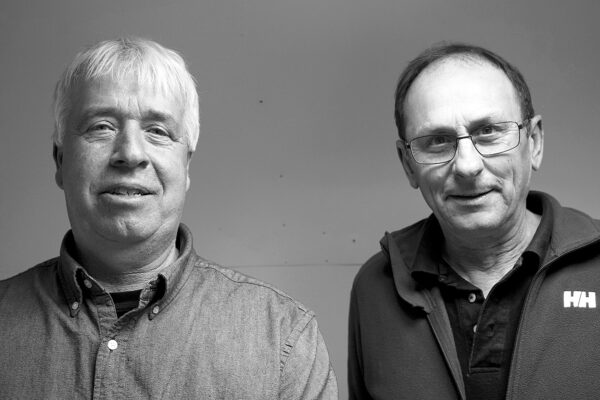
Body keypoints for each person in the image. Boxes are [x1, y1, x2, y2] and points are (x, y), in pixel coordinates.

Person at [0, 37, 337, 399]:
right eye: (101, 126)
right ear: (60, 160)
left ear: (186, 166)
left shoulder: (285, 338)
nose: (130, 153)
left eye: (157, 131)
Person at [348, 42, 600, 400]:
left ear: (534, 142)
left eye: (489, 131)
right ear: (408, 164)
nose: (467, 166)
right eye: (437, 141)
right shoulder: (376, 286)